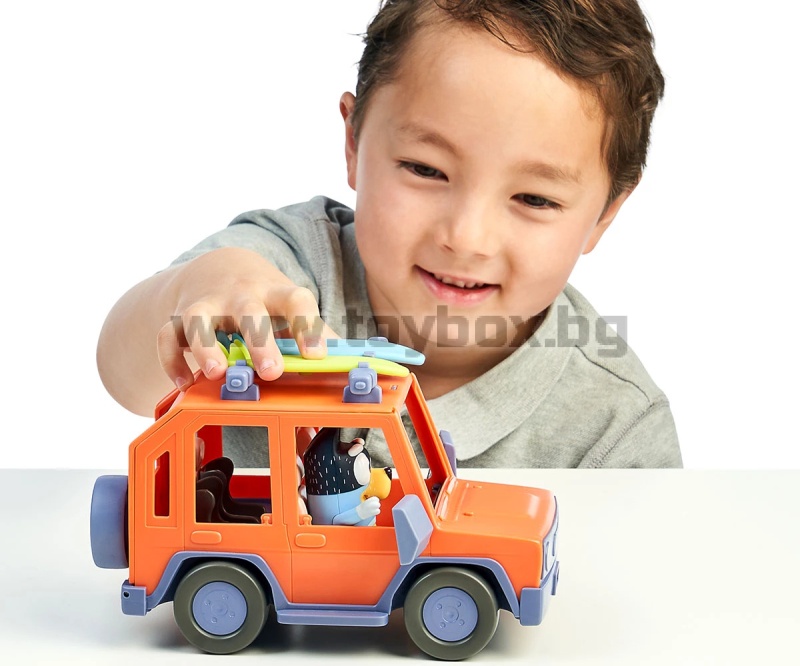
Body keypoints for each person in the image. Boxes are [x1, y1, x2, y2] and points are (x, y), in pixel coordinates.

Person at [97, 0, 682, 468]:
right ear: (354, 143)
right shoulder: (289, 270)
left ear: (605, 214)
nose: (467, 237)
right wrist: (206, 286)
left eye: (534, 199)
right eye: (425, 169)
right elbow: (123, 372)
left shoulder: (617, 426)